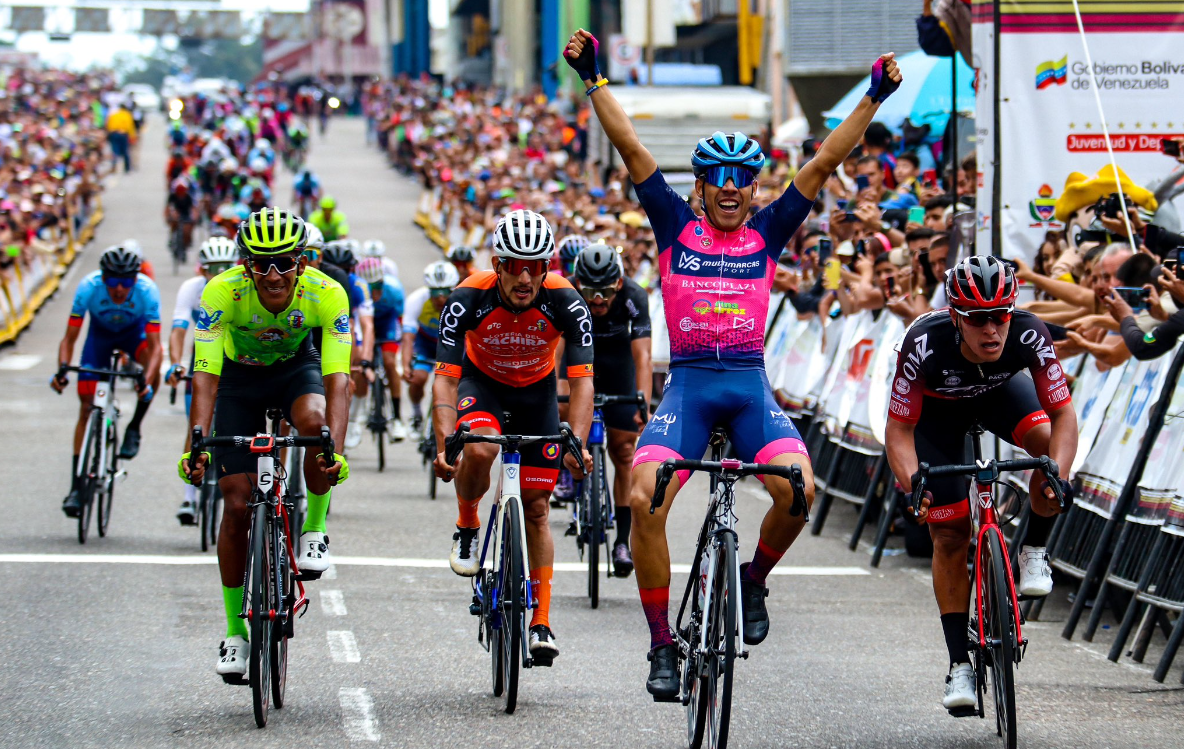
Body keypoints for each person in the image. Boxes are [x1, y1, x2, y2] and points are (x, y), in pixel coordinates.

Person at [564, 27, 901, 698]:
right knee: (644, 495)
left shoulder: (770, 230)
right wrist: (594, 77)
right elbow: (632, 147)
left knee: (798, 491)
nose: (729, 188)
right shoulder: (671, 224)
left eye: (742, 180)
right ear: (699, 188)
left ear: (753, 189)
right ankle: (662, 645)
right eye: (717, 178)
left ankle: (751, 581)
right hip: (688, 387)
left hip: (748, 386)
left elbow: (825, 161)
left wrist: (873, 96)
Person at [884, 255, 1078, 714]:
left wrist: (1059, 475)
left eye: (1000, 316)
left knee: (1050, 454)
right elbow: (898, 429)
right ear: (955, 317)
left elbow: (1064, 413)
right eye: (978, 320)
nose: (992, 330)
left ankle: (1033, 550)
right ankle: (959, 664)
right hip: (937, 415)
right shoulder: (924, 343)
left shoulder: (1030, 332)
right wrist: (914, 484)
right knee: (950, 533)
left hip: (998, 396)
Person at [178, 208, 350, 680]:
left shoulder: (327, 293)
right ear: (245, 264)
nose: (273, 275)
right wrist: (196, 442)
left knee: (317, 427)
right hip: (238, 380)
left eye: (284, 263)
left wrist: (332, 448)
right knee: (235, 505)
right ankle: (235, 633)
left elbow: (338, 378)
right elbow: (205, 374)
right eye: (261, 264)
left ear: (302, 261)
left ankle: (314, 529)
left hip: (296, 371)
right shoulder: (222, 291)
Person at [432, 208, 596, 666]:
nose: (525, 278)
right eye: (514, 266)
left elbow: (582, 379)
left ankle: (540, 621)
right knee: (480, 446)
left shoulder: (567, 300)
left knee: (539, 509)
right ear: (497, 264)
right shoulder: (467, 296)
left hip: (537, 394)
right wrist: (446, 441)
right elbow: (443, 379)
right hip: (481, 384)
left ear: (547, 267)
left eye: (536, 267)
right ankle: (468, 523)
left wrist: (578, 442)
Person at [51, 245, 162, 516]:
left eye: (127, 282)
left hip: (132, 334)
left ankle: (135, 426)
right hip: (99, 339)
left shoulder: (147, 291)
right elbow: (69, 339)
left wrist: (145, 381)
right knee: (86, 408)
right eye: (113, 281)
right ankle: (76, 488)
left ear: (136, 279)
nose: (120, 289)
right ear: (103, 279)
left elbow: (156, 348)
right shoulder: (88, 287)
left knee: (152, 368)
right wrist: (62, 370)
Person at [566, 242, 652, 576]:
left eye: (604, 291)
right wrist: (560, 392)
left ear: (618, 283)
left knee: (625, 451)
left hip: (618, 371)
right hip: (577, 368)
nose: (597, 300)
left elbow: (643, 356)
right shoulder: (568, 294)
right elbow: (557, 350)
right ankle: (573, 484)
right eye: (589, 291)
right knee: (567, 428)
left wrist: (642, 402)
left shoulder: (634, 296)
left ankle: (622, 541)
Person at [166, 236, 239, 524]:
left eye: (225, 266)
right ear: (201, 270)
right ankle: (189, 496)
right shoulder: (191, 289)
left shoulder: (239, 289)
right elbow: (178, 329)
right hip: (203, 357)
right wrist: (175, 363)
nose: (218, 274)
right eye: (212, 268)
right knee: (196, 427)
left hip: (234, 360)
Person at [400, 260, 461, 430]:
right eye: (435, 292)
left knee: (457, 386)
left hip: (452, 344)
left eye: (445, 293)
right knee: (418, 378)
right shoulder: (417, 300)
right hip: (425, 343)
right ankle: (417, 412)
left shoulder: (462, 300)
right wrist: (405, 365)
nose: (440, 298)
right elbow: (408, 337)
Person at [355, 256, 408, 442]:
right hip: (363, 324)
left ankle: (397, 417)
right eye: (369, 288)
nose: (374, 292)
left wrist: (402, 348)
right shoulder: (354, 291)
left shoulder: (394, 291)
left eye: (378, 286)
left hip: (386, 325)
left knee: (389, 362)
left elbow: (402, 321)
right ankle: (358, 410)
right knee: (358, 359)